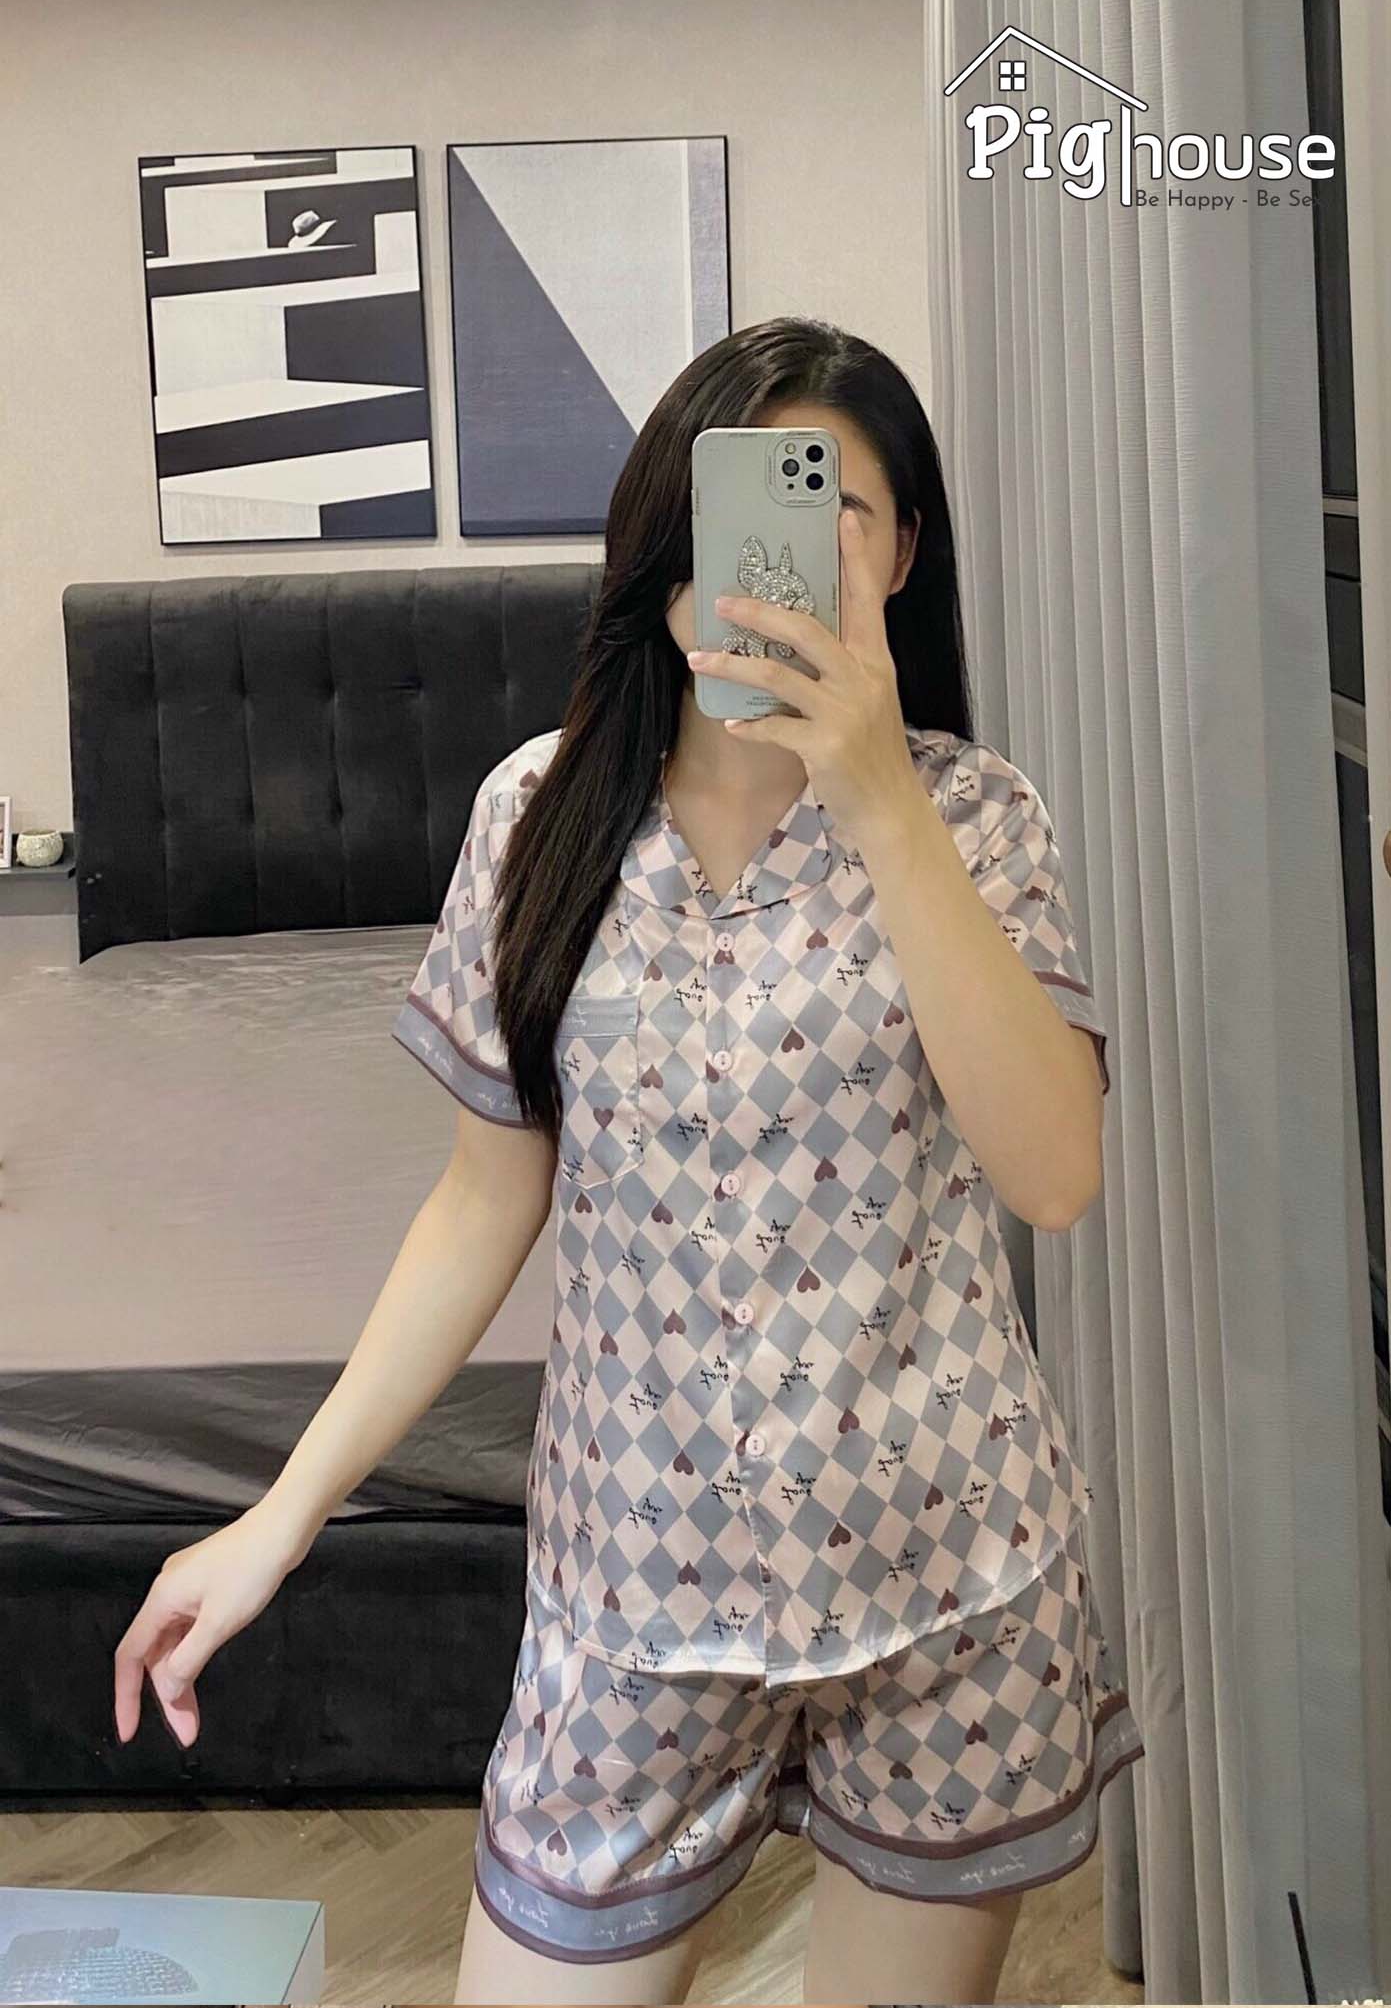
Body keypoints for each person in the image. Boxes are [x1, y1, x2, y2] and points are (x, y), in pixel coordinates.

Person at [112, 317, 1142, 2007]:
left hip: (942, 1583)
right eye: (739, 501)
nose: (776, 552)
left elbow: (1055, 1175)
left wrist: (881, 800)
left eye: (832, 507)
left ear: (901, 554)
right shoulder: (537, 818)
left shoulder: (978, 817)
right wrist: (279, 1517)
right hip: (634, 1597)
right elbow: (481, 1198)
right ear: (666, 539)